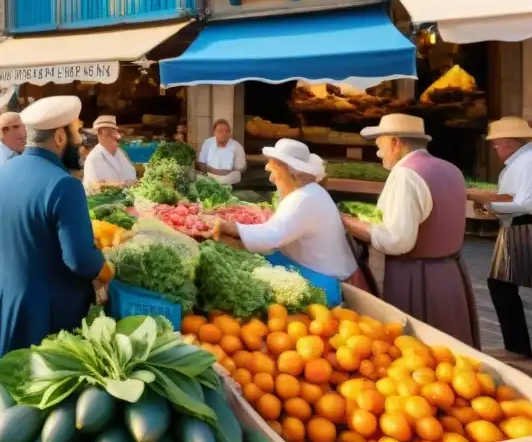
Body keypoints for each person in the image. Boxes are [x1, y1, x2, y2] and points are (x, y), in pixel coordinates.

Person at [0, 95, 106, 361]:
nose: (81, 141)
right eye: (75, 133)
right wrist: (107, 264)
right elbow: (81, 261)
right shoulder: (64, 185)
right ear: (60, 137)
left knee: (5, 392)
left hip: (3, 310)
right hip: (49, 322)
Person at [341, 114, 480, 347]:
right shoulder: (452, 169)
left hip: (416, 279)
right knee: (455, 352)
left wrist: (347, 222)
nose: (378, 153)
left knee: (422, 353)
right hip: (452, 276)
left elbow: (397, 241)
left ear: (396, 143)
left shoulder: (406, 175)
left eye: (379, 145)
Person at [218, 139, 372, 291]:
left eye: (274, 172)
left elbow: (272, 235)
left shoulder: (303, 198)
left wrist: (226, 226)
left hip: (328, 282)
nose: (272, 179)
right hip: (324, 271)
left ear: (288, 172)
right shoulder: (310, 192)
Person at [482, 117, 532, 359]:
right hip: (515, 227)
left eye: (496, 142)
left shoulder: (527, 160)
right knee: (501, 284)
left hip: (523, 228)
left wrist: (491, 205)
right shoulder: (520, 161)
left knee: (500, 284)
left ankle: (518, 348)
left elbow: (527, 204)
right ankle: (517, 347)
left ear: (509, 141)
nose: (494, 147)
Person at [82, 115, 138, 192]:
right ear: (99, 133)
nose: (113, 135)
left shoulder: (122, 153)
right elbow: (93, 187)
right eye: (107, 131)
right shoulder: (93, 158)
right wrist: (122, 184)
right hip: (105, 202)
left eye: (113, 130)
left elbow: (133, 177)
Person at [196, 118, 247, 186]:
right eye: (220, 131)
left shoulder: (237, 146)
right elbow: (201, 164)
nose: (224, 134)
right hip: (210, 181)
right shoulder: (208, 143)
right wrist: (215, 171)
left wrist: (232, 169)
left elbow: (241, 167)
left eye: (227, 131)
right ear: (214, 132)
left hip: (231, 182)